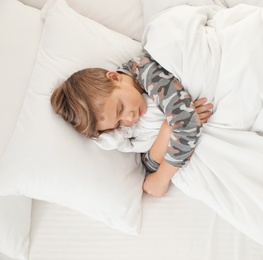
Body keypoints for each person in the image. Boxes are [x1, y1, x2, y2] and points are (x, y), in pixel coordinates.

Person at [50, 52, 213, 197]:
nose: (129, 119)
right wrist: (166, 130)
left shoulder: (146, 72)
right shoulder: (130, 117)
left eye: (120, 108)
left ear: (115, 78)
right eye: (118, 123)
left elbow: (187, 124)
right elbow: (149, 162)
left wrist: (161, 178)